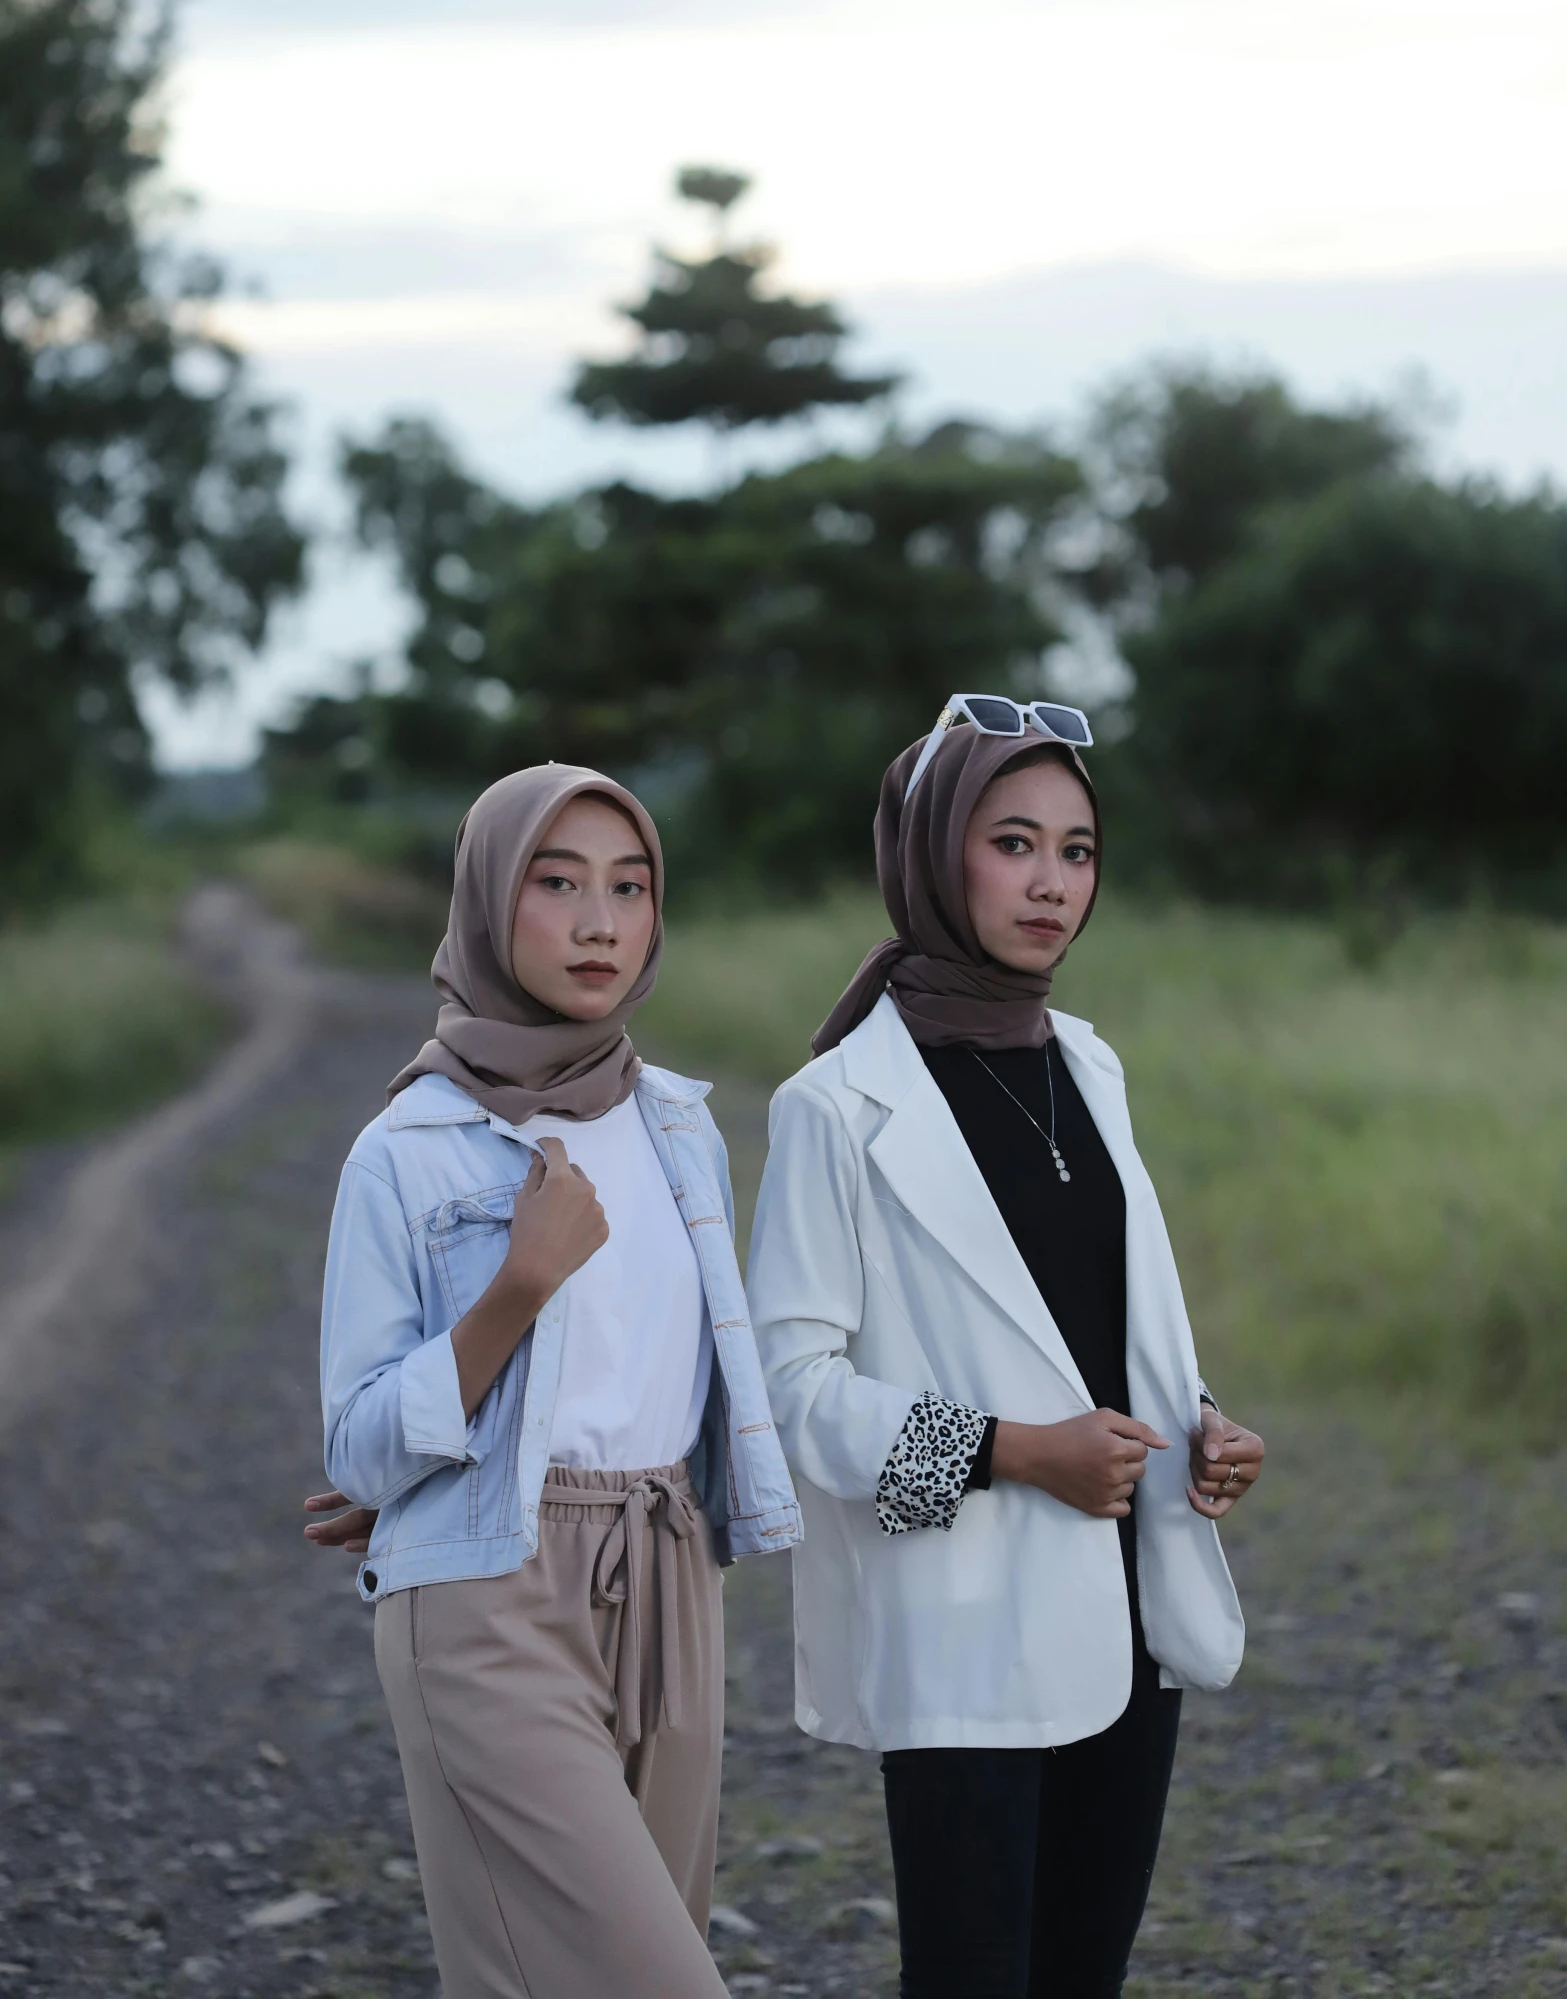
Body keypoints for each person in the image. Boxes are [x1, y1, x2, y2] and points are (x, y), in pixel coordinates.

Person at [745, 701, 1264, 1999]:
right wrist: (1014, 1453)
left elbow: (1099, 1316)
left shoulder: (1086, 1063)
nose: (1049, 882)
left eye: (1075, 850)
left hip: (1127, 1599)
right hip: (964, 1618)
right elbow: (789, 1391)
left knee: (1083, 1971)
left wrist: (1196, 1419)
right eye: (1013, 841)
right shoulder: (831, 1105)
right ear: (932, 853)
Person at [310, 763, 801, 1999]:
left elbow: (688, 1373)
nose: (599, 922)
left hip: (669, 1570)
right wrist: (514, 1293)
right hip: (488, 1598)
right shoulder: (405, 1150)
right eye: (558, 881)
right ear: (485, 900)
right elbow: (359, 1443)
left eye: (629, 888)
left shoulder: (681, 1124)